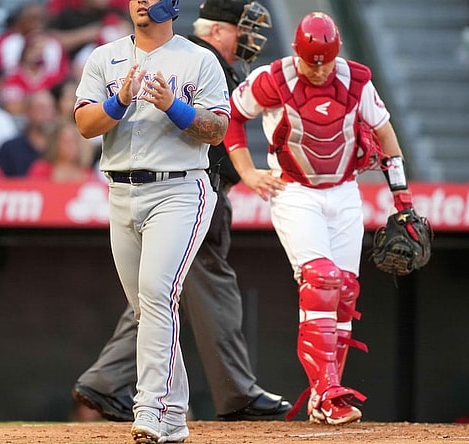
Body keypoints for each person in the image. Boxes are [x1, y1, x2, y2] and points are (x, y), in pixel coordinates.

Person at [71, 0, 290, 426]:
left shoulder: (198, 60)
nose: (139, 2)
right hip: (120, 188)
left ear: (171, 5)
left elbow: (218, 130)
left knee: (156, 295)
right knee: (147, 308)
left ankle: (152, 408)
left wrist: (174, 105)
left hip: (179, 188)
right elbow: (85, 124)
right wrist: (119, 101)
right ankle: (171, 411)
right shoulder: (105, 57)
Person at [223, 11, 424, 425]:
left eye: (325, 61)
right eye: (309, 61)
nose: (317, 70)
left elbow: (385, 134)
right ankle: (329, 392)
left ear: (336, 54)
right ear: (297, 52)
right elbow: (231, 116)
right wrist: (246, 172)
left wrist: (403, 199)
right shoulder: (274, 78)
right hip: (294, 190)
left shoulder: (355, 80)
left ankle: (323, 396)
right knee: (322, 280)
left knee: (346, 292)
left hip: (344, 190)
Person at [27, 120, 94, 181]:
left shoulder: (88, 174)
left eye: (75, 141)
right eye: (66, 141)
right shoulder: (41, 170)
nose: (71, 145)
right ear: (55, 143)